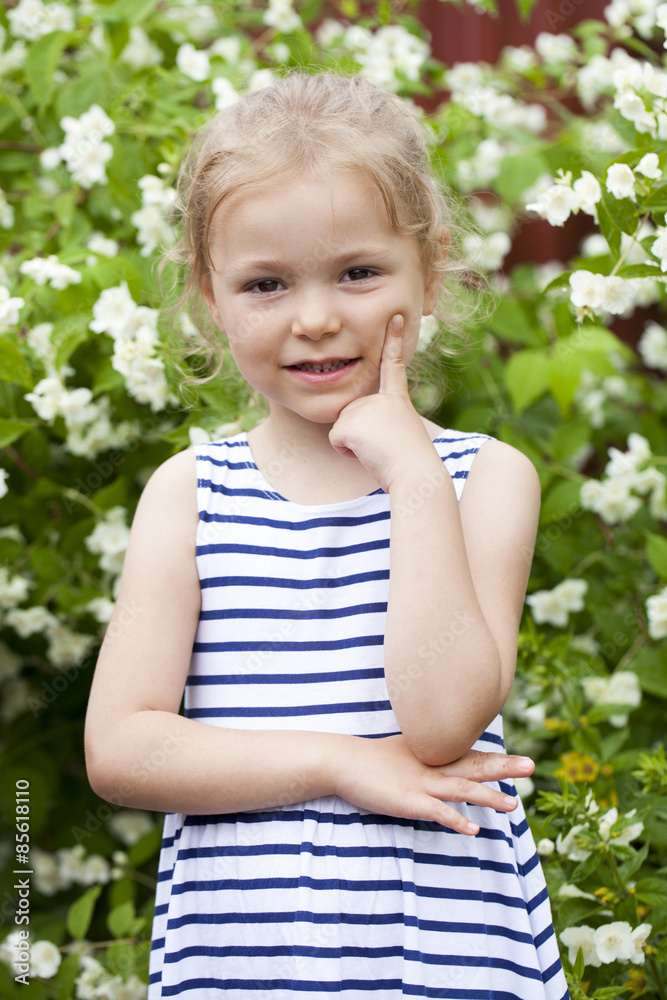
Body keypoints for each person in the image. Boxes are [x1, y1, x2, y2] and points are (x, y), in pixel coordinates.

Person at [85, 71, 569, 1000]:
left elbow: (438, 722)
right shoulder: (191, 496)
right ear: (211, 300)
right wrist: (343, 764)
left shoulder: (484, 481)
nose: (314, 318)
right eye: (266, 283)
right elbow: (122, 750)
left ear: (428, 274)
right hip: (246, 966)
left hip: (450, 965)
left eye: (356, 272)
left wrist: (413, 477)